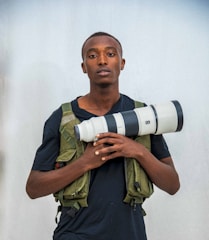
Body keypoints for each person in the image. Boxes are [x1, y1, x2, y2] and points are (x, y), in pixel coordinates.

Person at [26, 32, 180, 240]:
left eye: (110, 53)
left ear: (121, 63)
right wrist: (85, 163)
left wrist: (137, 151)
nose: (102, 60)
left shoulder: (144, 116)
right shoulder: (63, 119)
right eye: (92, 56)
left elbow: (172, 185)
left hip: (130, 233)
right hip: (75, 233)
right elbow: (33, 188)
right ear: (83, 67)